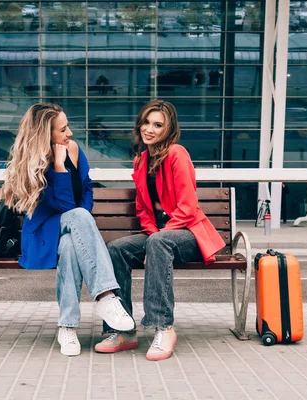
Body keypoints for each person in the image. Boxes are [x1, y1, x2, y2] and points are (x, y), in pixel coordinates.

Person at [95, 100, 226, 361]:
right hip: (159, 237)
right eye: (146, 122)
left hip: (188, 234)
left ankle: (163, 327)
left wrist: (156, 237)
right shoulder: (141, 161)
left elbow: (188, 208)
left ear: (169, 129)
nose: (150, 129)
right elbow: (143, 208)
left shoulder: (177, 154)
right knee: (116, 250)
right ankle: (121, 330)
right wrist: (153, 233)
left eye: (157, 125)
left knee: (159, 243)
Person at [2, 103, 134, 356]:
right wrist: (60, 167)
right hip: (43, 231)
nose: (70, 133)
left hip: (73, 228)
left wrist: (79, 216)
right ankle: (106, 296)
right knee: (76, 217)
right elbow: (62, 206)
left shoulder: (73, 149)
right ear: (45, 134)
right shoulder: (30, 165)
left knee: (70, 244)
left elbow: (86, 190)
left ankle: (68, 326)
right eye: (63, 129)